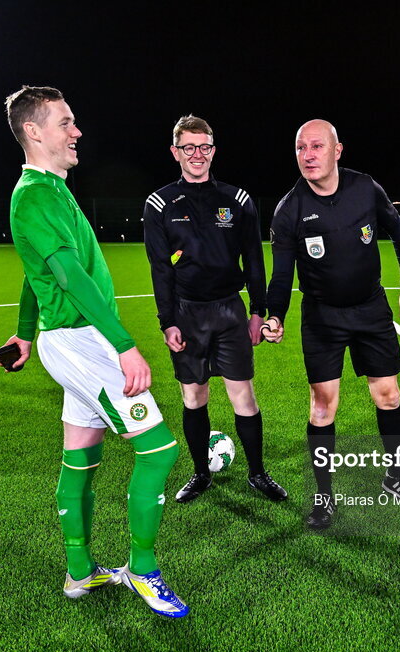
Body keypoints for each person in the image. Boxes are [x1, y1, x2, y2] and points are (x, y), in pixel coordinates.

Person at [0, 86, 188, 618]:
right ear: (34, 132)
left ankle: (79, 573)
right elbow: (66, 275)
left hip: (68, 339)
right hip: (82, 341)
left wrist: (23, 332)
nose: (75, 131)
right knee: (159, 450)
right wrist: (125, 345)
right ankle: (143, 571)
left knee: (81, 452)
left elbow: (35, 273)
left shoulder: (52, 190)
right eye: (65, 122)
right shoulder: (33, 194)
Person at [261, 119, 400, 530]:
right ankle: (324, 498)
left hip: (370, 309)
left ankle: (396, 477)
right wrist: (274, 314)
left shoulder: (365, 188)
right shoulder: (288, 210)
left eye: (316, 146)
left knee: (387, 396)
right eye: (300, 148)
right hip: (322, 318)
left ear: (337, 150)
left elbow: (397, 230)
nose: (308, 155)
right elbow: (281, 277)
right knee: (323, 407)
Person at [143, 115, 287, 504]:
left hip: (229, 312)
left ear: (213, 150)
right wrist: (167, 322)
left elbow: (255, 261)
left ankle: (258, 474)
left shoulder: (236, 201)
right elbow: (160, 268)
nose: (197, 155)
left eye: (204, 146)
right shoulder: (159, 204)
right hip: (187, 315)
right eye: (188, 147)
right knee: (194, 397)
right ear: (176, 152)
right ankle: (201, 474)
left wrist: (258, 311)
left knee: (244, 396)